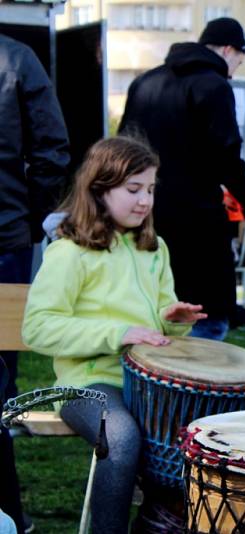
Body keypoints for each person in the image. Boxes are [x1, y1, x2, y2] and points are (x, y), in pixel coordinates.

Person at [21, 137, 205, 534]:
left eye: (151, 189)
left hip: (147, 385)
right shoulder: (70, 252)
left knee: (203, 435)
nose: (145, 201)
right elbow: (37, 327)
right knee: (120, 436)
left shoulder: (155, 250)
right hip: (85, 385)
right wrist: (117, 333)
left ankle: (160, 523)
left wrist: (171, 319)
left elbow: (158, 320)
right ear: (99, 190)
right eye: (133, 189)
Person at [119, 17, 245, 341]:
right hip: (198, 225)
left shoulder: (144, 82)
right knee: (204, 320)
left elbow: (122, 149)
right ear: (227, 49)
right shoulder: (215, 86)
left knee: (150, 314)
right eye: (240, 58)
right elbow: (227, 154)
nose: (236, 68)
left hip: (144, 216)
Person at [0, 34, 70, 534]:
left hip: (9, 232)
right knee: (1, 377)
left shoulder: (18, 60)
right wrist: (33, 218)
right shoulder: (17, 58)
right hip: (8, 236)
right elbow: (51, 150)